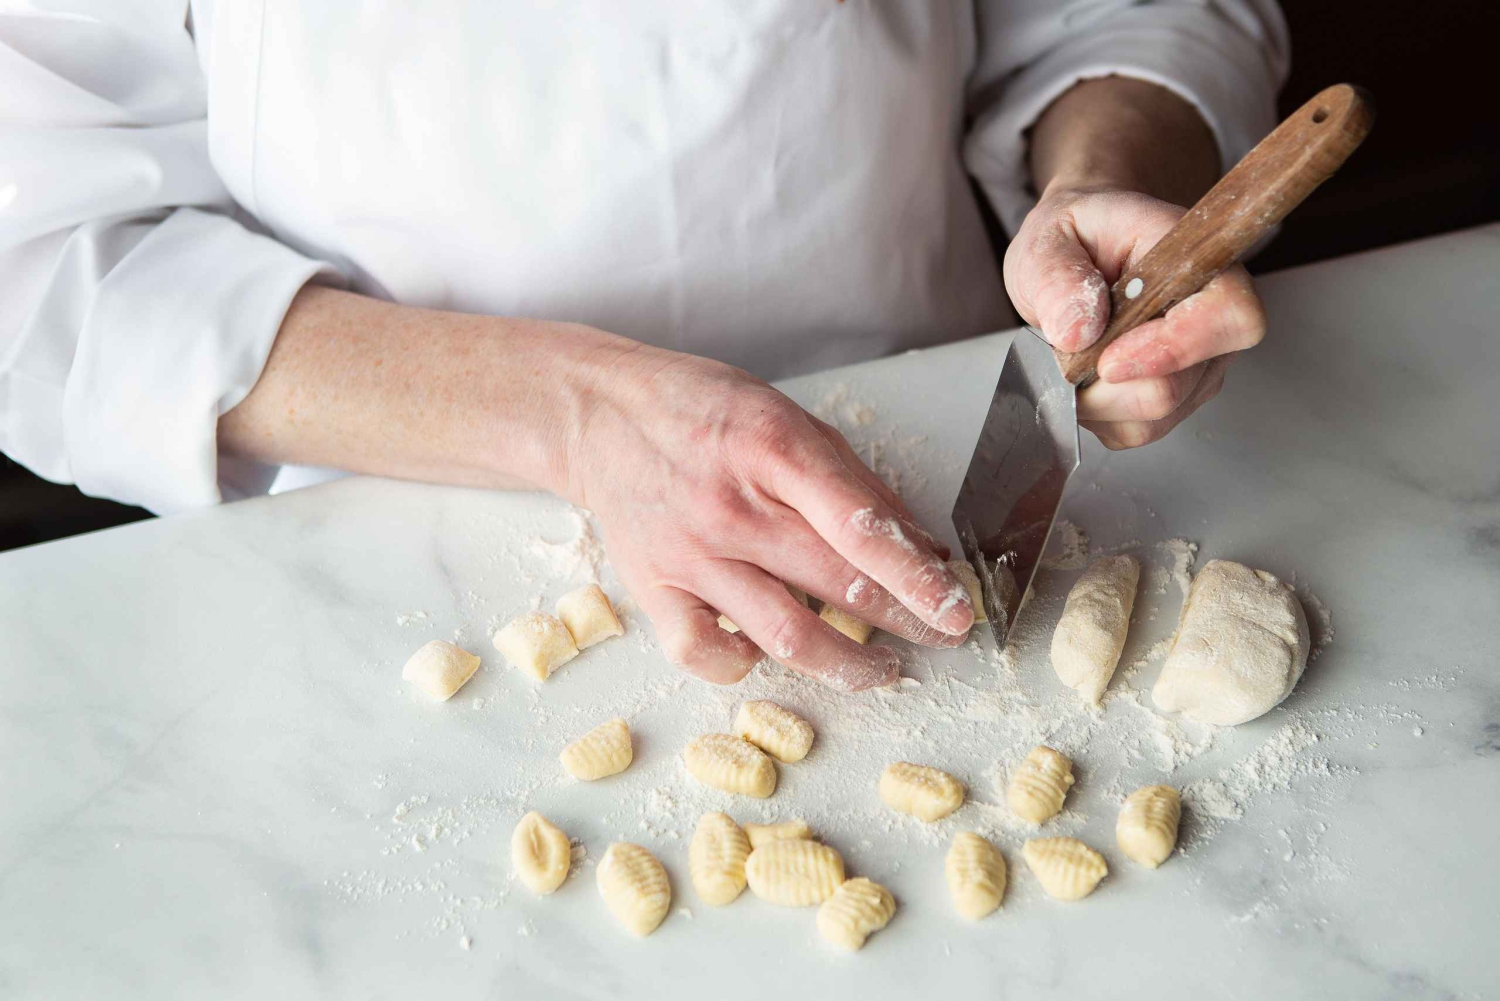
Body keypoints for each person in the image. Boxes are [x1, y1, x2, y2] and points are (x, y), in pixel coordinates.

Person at [0, 2, 1287, 691]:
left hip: (929, 447)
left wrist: (1108, 183)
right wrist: (577, 415)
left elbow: (1113, 14)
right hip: (393, 539)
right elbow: (36, 253)